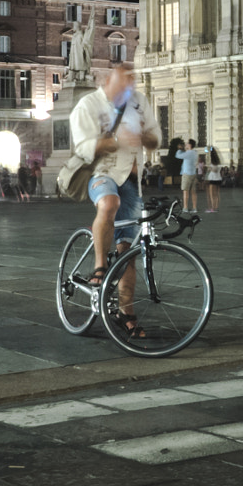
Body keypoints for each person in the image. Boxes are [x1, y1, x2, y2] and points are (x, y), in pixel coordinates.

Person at [71, 58, 159, 343]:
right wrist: (113, 141)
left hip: (132, 182)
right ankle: (99, 267)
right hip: (102, 173)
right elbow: (83, 147)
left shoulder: (139, 102)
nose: (129, 84)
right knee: (109, 204)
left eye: (132, 80)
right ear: (108, 81)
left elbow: (157, 138)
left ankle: (126, 313)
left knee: (128, 253)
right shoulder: (89, 105)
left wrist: (144, 137)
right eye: (124, 79)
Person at [178, 137, 200, 213]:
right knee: (193, 192)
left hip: (187, 174)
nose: (185, 144)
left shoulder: (188, 153)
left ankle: (185, 207)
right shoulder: (195, 153)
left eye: (187, 143)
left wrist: (179, 149)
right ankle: (194, 208)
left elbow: (178, 156)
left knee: (185, 191)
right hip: (193, 173)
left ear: (190, 145)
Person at [204, 145, 223, 211]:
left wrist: (210, 168)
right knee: (217, 194)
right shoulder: (218, 161)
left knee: (212, 194)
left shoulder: (211, 162)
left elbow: (214, 170)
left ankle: (212, 207)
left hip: (212, 179)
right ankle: (216, 207)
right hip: (218, 179)